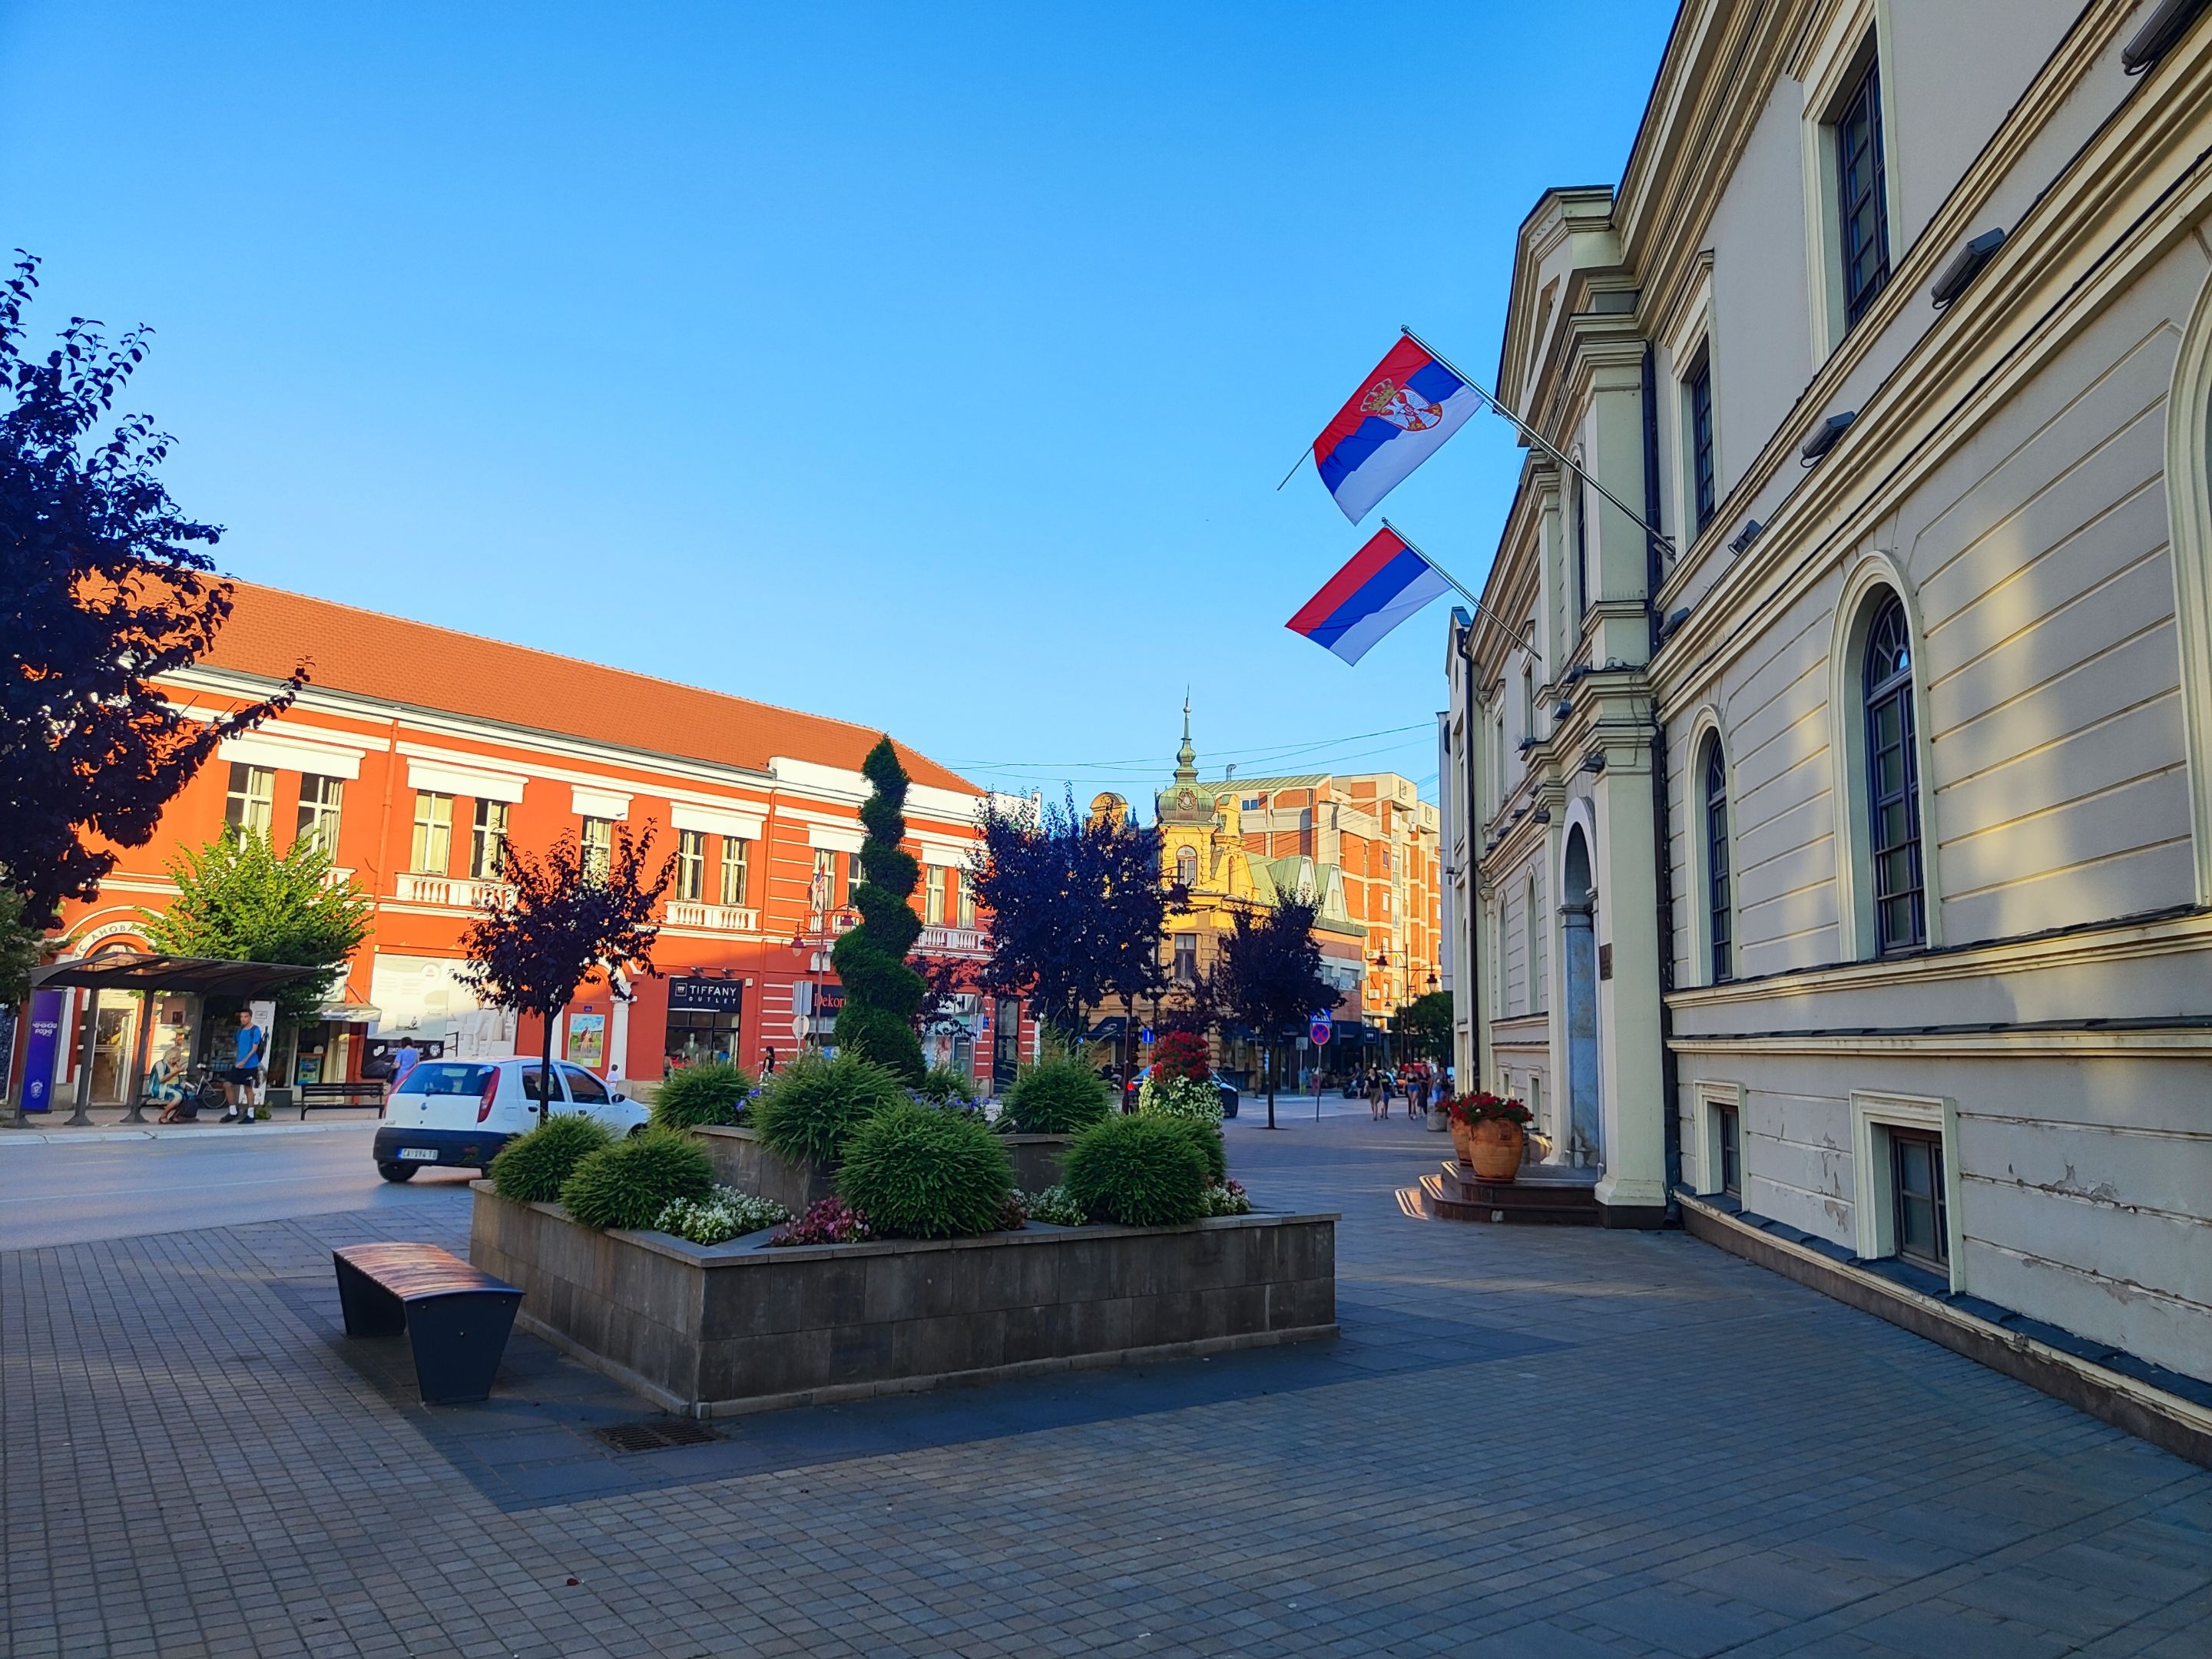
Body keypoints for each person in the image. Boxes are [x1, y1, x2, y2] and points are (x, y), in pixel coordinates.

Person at [223, 1007, 266, 1124]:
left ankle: (250, 1115)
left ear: (250, 1017)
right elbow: (238, 1045)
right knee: (227, 1084)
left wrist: (245, 1061)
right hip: (238, 1064)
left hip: (250, 1064)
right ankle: (233, 1111)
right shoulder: (240, 1031)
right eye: (241, 1017)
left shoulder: (255, 1030)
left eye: (245, 1017)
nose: (243, 1019)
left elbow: (254, 1048)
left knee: (247, 1088)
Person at [148, 1033, 190, 1123]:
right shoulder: (160, 1064)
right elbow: (161, 1079)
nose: (178, 1061)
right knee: (178, 1096)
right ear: (172, 1057)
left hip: (174, 1087)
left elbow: (177, 1079)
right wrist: (175, 1072)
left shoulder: (174, 1066)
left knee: (190, 1096)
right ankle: (163, 1116)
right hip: (161, 1087)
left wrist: (183, 1084)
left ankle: (176, 1115)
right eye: (178, 1058)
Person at [387, 1036, 422, 1102]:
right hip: (410, 1075)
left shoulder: (401, 1052)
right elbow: (417, 1063)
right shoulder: (416, 1052)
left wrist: (393, 1065)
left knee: (397, 1092)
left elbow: (397, 1065)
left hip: (400, 1075)